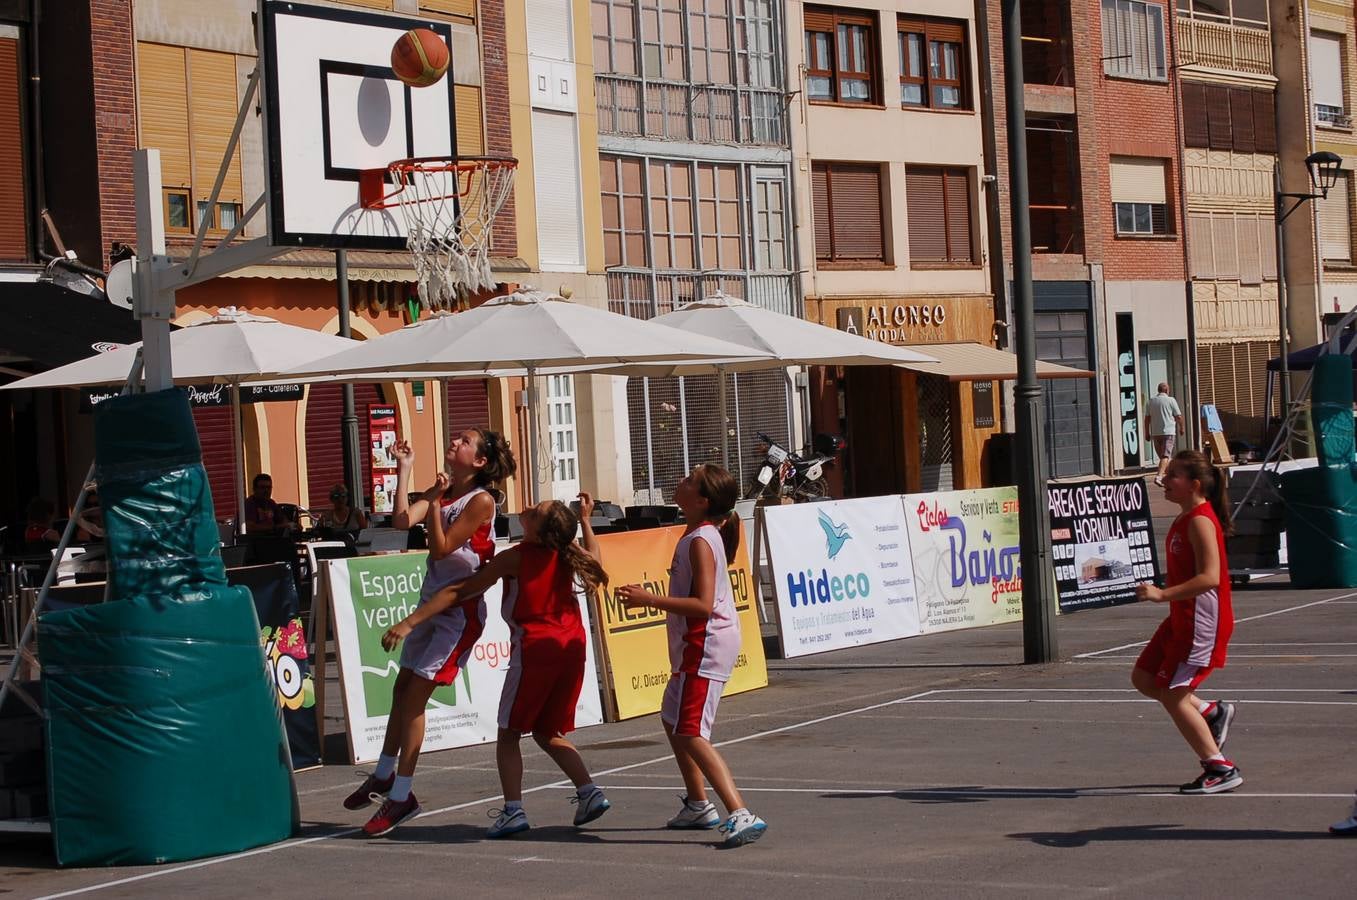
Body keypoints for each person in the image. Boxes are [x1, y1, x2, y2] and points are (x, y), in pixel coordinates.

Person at [382, 492, 610, 839]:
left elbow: (460, 591)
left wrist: (410, 622)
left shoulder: (516, 557)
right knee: (548, 732)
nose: (529, 507)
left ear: (538, 531)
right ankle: (589, 792)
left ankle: (513, 810)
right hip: (573, 647)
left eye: (535, 511)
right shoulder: (568, 551)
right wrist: (587, 521)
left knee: (508, 735)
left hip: (536, 650)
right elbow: (595, 557)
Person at [343, 428, 516, 837]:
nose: (455, 441)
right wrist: (404, 471)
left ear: (479, 462)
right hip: (432, 602)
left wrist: (435, 503)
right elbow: (403, 519)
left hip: (459, 610)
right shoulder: (444, 491)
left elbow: (440, 548)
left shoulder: (481, 500)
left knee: (416, 699)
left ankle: (402, 795)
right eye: (456, 437)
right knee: (401, 691)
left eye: (465, 440)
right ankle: (385, 774)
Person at [617, 464, 767, 847]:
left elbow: (702, 604)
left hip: (706, 644)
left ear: (702, 501)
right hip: (695, 645)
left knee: (691, 731)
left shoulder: (701, 539)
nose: (679, 480)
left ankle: (740, 812)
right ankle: (698, 804)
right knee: (672, 720)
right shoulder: (700, 532)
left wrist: (647, 599)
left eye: (689, 480)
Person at [1133, 449, 1240, 795]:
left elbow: (1210, 577)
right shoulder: (1185, 518)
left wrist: (1162, 594)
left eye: (1174, 475)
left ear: (1194, 484)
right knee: (1145, 678)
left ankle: (1219, 766)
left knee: (1175, 695)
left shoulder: (1200, 521)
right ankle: (1211, 712)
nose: (1165, 480)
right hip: (1180, 618)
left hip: (1201, 623)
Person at [1144, 382, 1184, 487]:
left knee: (1164, 457)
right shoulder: (1171, 400)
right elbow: (1178, 416)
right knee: (1165, 456)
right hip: (1168, 432)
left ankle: (1172, 477)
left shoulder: (1151, 401)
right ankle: (1159, 476)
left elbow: (1147, 419)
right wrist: (1181, 428)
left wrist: (1147, 432)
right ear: (1166, 390)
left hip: (1156, 433)